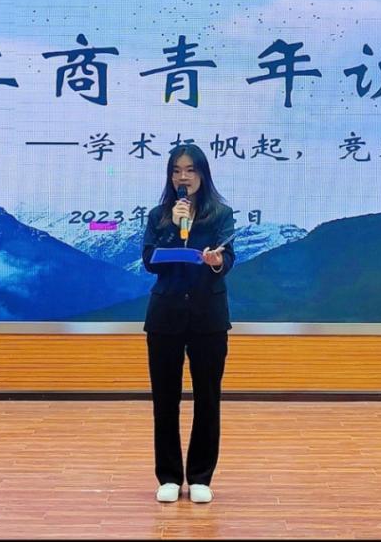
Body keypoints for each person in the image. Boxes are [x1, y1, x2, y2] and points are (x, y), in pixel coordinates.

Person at [141, 143, 235, 504]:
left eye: (190, 170)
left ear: (203, 174)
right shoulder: (159, 215)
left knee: (207, 398)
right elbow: (150, 260)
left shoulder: (220, 214)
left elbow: (228, 260)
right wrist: (172, 228)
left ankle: (200, 477)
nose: (184, 177)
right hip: (165, 316)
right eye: (177, 171)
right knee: (164, 399)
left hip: (208, 316)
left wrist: (215, 261)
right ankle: (168, 476)